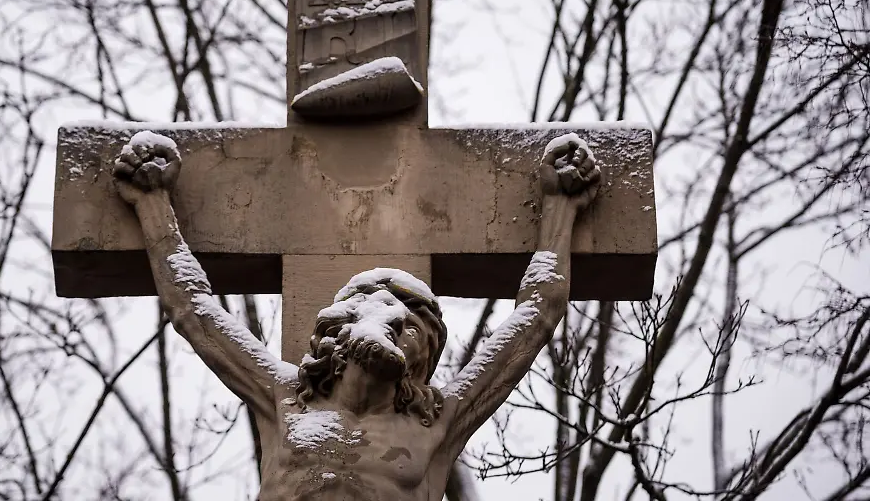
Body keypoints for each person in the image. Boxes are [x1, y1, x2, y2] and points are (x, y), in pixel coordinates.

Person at [114, 129, 600, 501]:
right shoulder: (284, 398)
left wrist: (561, 206)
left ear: (419, 364)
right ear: (340, 326)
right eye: (382, 306)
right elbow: (193, 311)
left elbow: (537, 317)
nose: (397, 322)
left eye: (415, 330)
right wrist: (152, 203)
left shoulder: (436, 424)